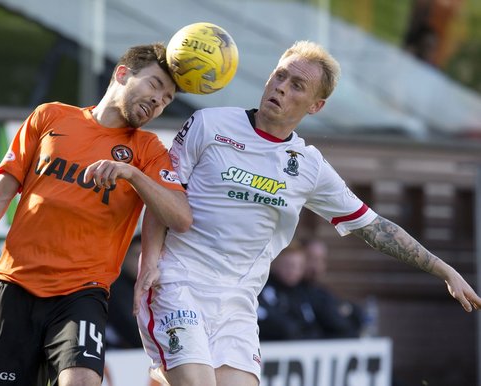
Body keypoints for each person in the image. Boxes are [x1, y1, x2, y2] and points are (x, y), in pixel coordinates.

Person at [132, 40, 481, 386]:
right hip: (178, 283)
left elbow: (373, 227)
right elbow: (164, 197)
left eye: (296, 85)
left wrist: (443, 269)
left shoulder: (309, 167)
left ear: (316, 106)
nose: (281, 87)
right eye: (279, 76)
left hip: (237, 303)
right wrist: (149, 261)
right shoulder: (209, 124)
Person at [0, 43, 192, 386]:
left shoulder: (147, 150)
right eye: (155, 86)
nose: (158, 101)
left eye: (167, 100)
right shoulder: (51, 116)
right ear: (122, 74)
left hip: (82, 292)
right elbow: (2, 188)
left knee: (82, 381)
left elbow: (181, 217)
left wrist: (132, 174)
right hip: (16, 285)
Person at [257, 241, 325, 341]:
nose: (293, 271)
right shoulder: (262, 289)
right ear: (276, 264)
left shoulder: (304, 293)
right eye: (289, 265)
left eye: (299, 266)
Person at [300, 237, 363, 338]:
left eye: (322, 260)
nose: (317, 266)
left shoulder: (321, 292)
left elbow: (356, 317)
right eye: (312, 259)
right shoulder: (290, 293)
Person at [106, 233, 144, 349]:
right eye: (138, 256)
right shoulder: (114, 287)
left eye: (146, 257)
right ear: (124, 256)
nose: (142, 262)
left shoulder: (152, 287)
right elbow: (129, 328)